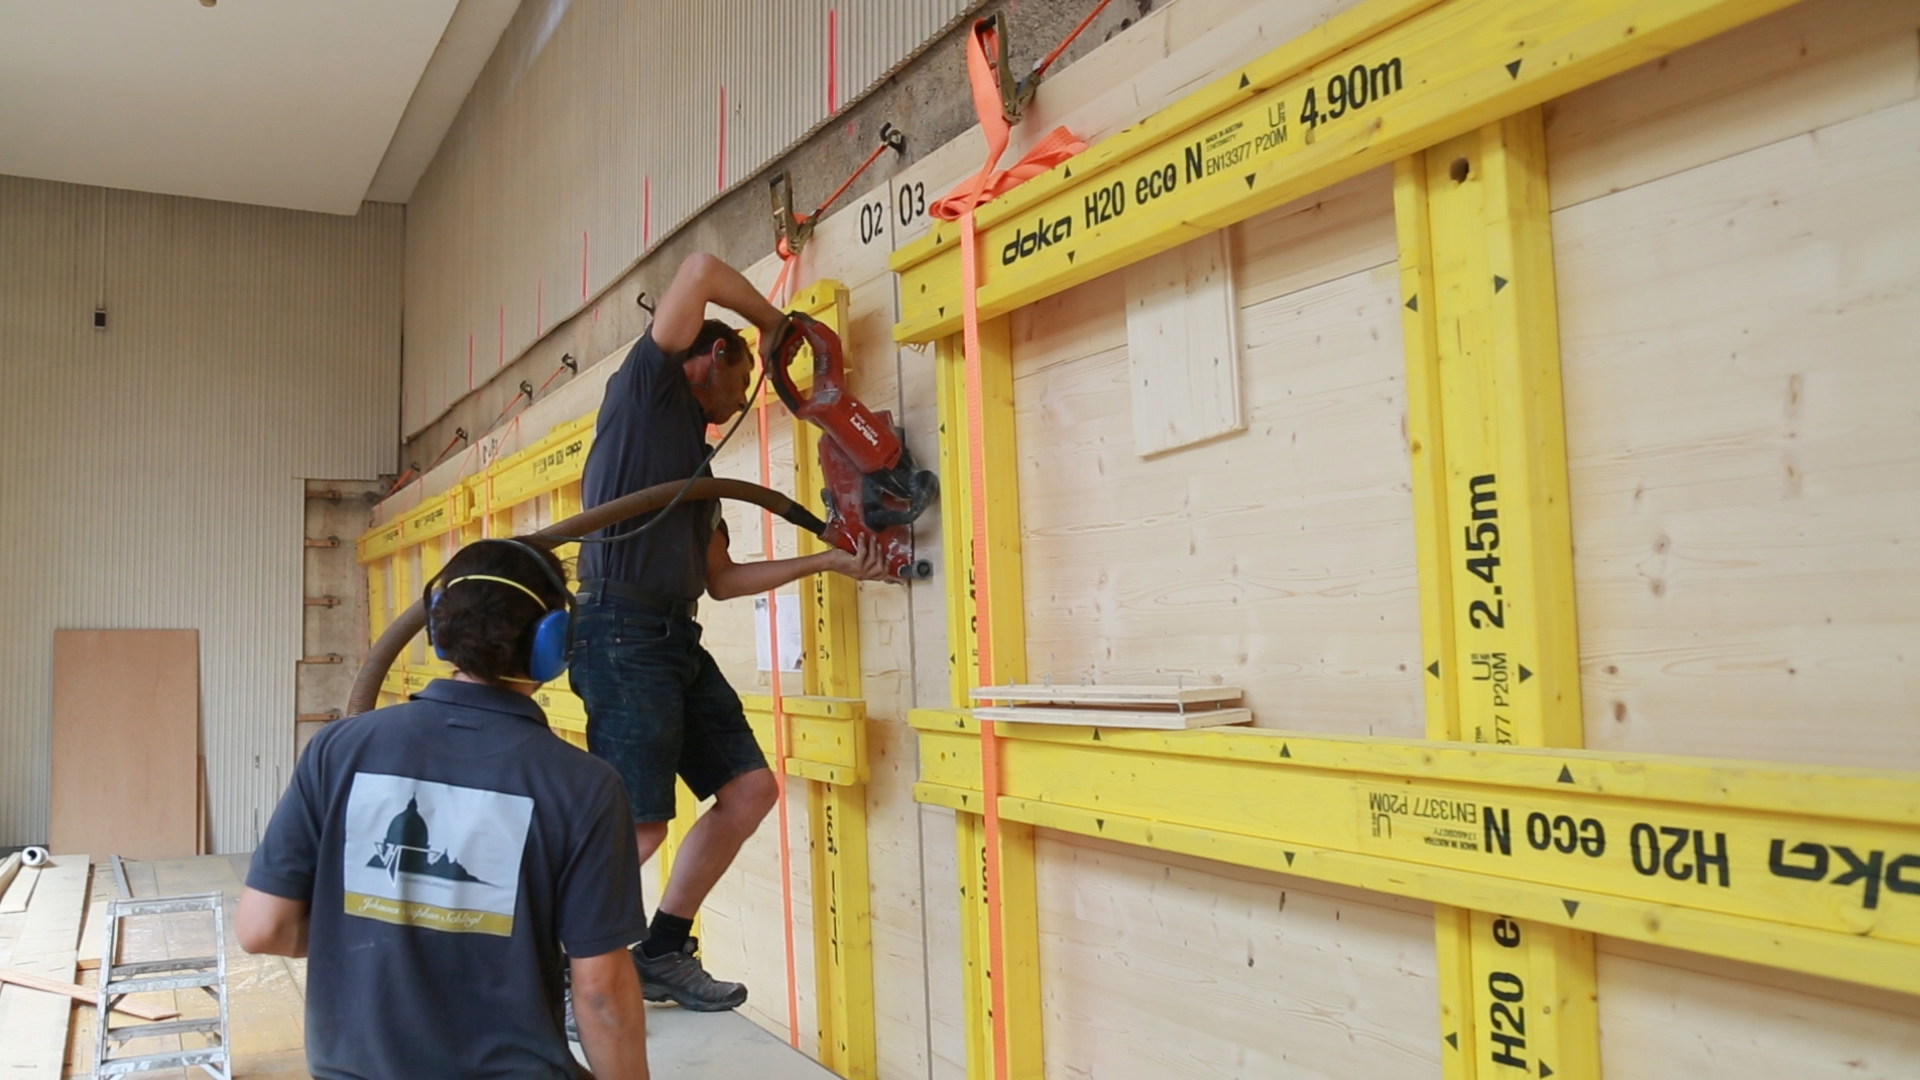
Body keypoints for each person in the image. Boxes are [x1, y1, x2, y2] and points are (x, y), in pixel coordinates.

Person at [571, 251, 890, 1011]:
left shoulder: (695, 463)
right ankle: (553, 968)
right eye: (744, 375)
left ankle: (662, 951)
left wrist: (827, 562)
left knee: (749, 789)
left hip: (671, 640)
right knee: (642, 825)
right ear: (710, 357)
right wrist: (776, 323)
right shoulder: (646, 394)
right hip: (619, 633)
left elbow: (721, 581)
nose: (745, 392)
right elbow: (700, 268)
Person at [237, 538, 650, 1080]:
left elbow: (263, 928)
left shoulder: (338, 750)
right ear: (552, 644)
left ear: (438, 629)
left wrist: (387, 932)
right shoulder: (584, 786)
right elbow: (599, 994)